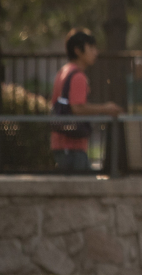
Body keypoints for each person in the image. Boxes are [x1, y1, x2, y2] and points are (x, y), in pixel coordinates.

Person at [50, 28, 123, 172]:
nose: (95, 52)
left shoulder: (63, 72)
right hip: (72, 146)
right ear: (78, 50)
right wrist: (106, 109)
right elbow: (77, 108)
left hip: (60, 144)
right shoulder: (78, 77)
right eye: (91, 48)